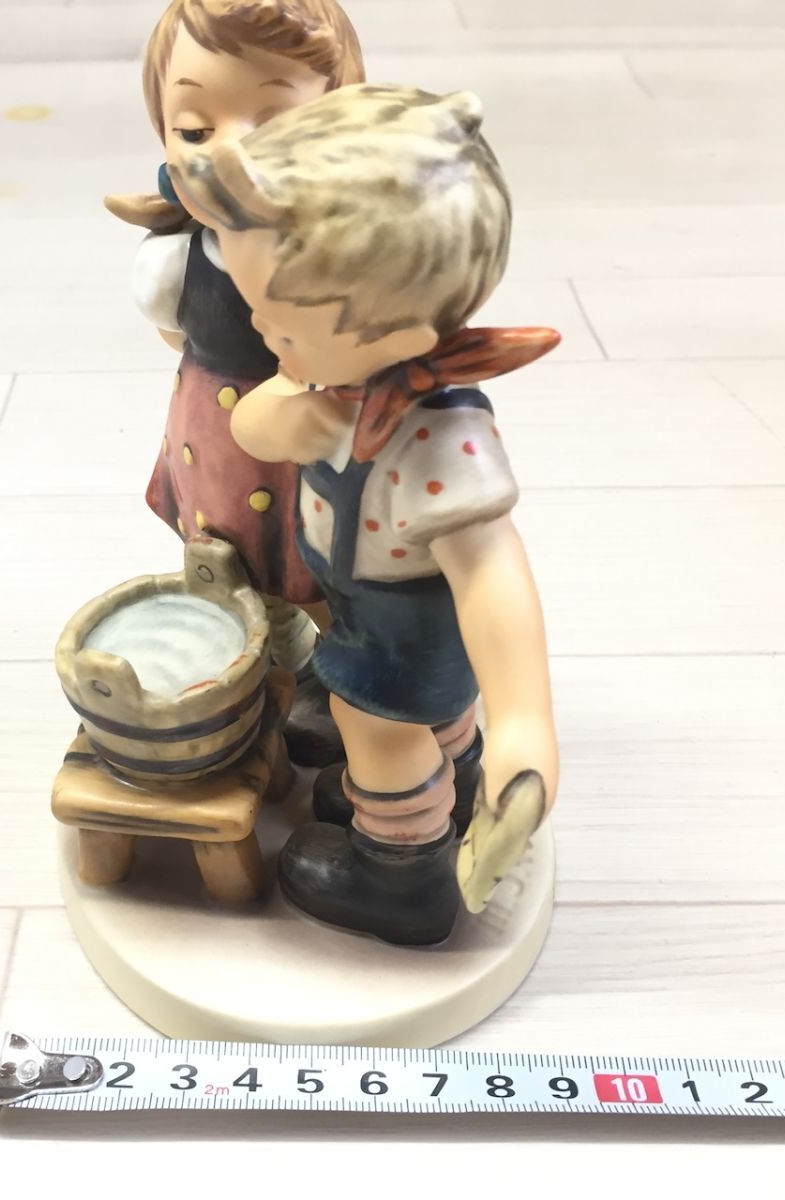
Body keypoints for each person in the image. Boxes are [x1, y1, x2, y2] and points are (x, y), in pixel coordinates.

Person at [171, 83, 561, 945]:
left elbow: (492, 574)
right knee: (430, 721)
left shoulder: (445, 445)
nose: (267, 339)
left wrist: (526, 718)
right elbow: (255, 421)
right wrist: (291, 412)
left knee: (376, 729)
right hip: (357, 602)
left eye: (282, 328)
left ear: (400, 331)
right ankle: (451, 779)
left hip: (406, 624)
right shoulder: (332, 371)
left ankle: (399, 871)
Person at [104, 0, 365, 766]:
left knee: (323, 569)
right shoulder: (174, 262)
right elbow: (176, 333)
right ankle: (268, 662)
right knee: (230, 566)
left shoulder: (346, 256)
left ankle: (345, 684)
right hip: (214, 440)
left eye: (275, 124)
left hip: (311, 438)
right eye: (194, 129)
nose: (227, 153)